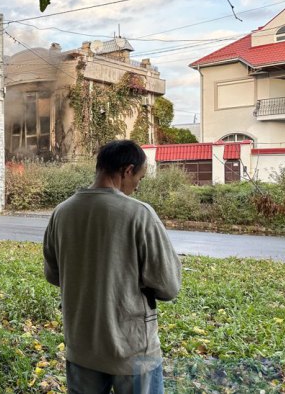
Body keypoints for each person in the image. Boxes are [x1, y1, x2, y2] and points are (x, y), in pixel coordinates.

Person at [43, 140, 181, 394]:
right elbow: (168, 286)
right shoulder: (139, 214)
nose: (138, 186)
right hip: (134, 350)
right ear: (127, 170)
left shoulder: (61, 213)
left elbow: (53, 274)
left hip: (81, 348)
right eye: (140, 177)